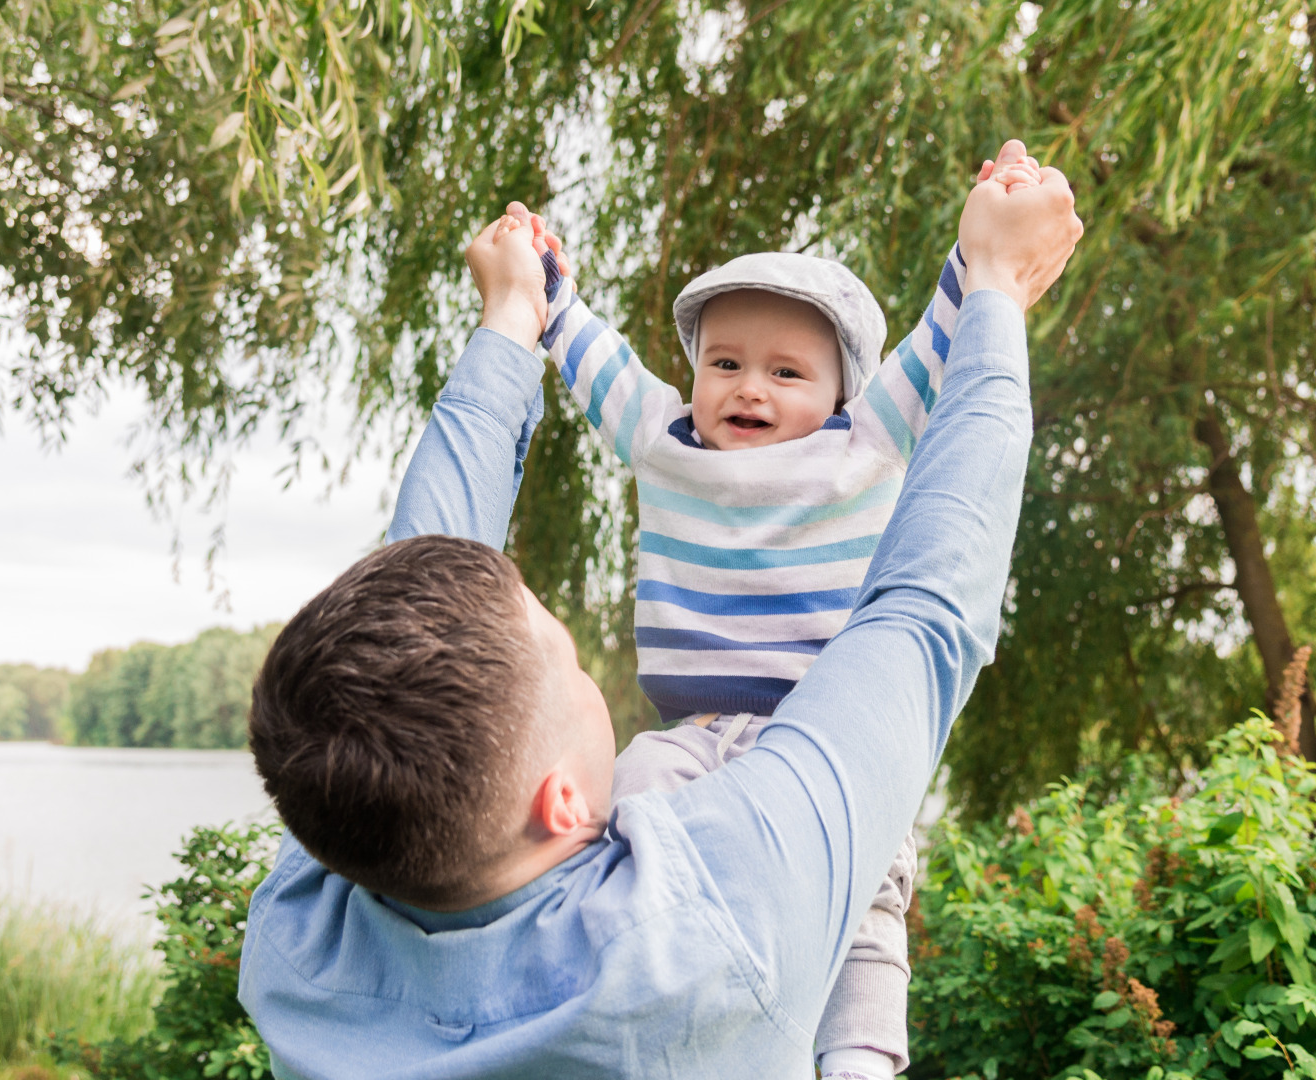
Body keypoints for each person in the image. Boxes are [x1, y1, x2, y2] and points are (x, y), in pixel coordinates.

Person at [238, 149, 1082, 1079]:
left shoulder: (298, 929)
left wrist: (517, 317)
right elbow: (925, 606)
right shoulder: (723, 903)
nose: (749, 386)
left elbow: (414, 580)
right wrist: (992, 283)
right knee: (871, 908)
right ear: (562, 802)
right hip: (756, 734)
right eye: (564, 659)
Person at [492, 142, 1043, 1079]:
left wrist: (981, 232)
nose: (749, 387)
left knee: (864, 887)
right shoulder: (666, 442)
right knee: (626, 816)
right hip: (690, 729)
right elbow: (594, 360)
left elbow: (944, 332)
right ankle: (630, 1013)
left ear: (838, 392)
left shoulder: (866, 439)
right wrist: (544, 287)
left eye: (786, 374)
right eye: (726, 363)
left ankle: (860, 1053)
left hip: (826, 730)